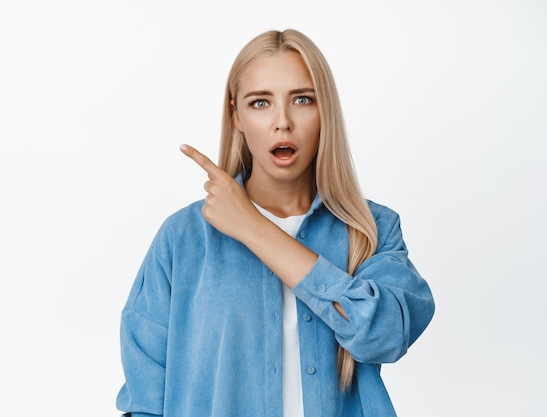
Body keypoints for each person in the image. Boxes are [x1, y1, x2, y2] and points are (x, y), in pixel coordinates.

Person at [116, 29, 435, 417]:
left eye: (302, 99)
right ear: (236, 115)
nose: (282, 122)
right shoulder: (182, 239)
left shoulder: (373, 230)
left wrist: (253, 228)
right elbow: (145, 397)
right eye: (260, 102)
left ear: (325, 112)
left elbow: (384, 335)